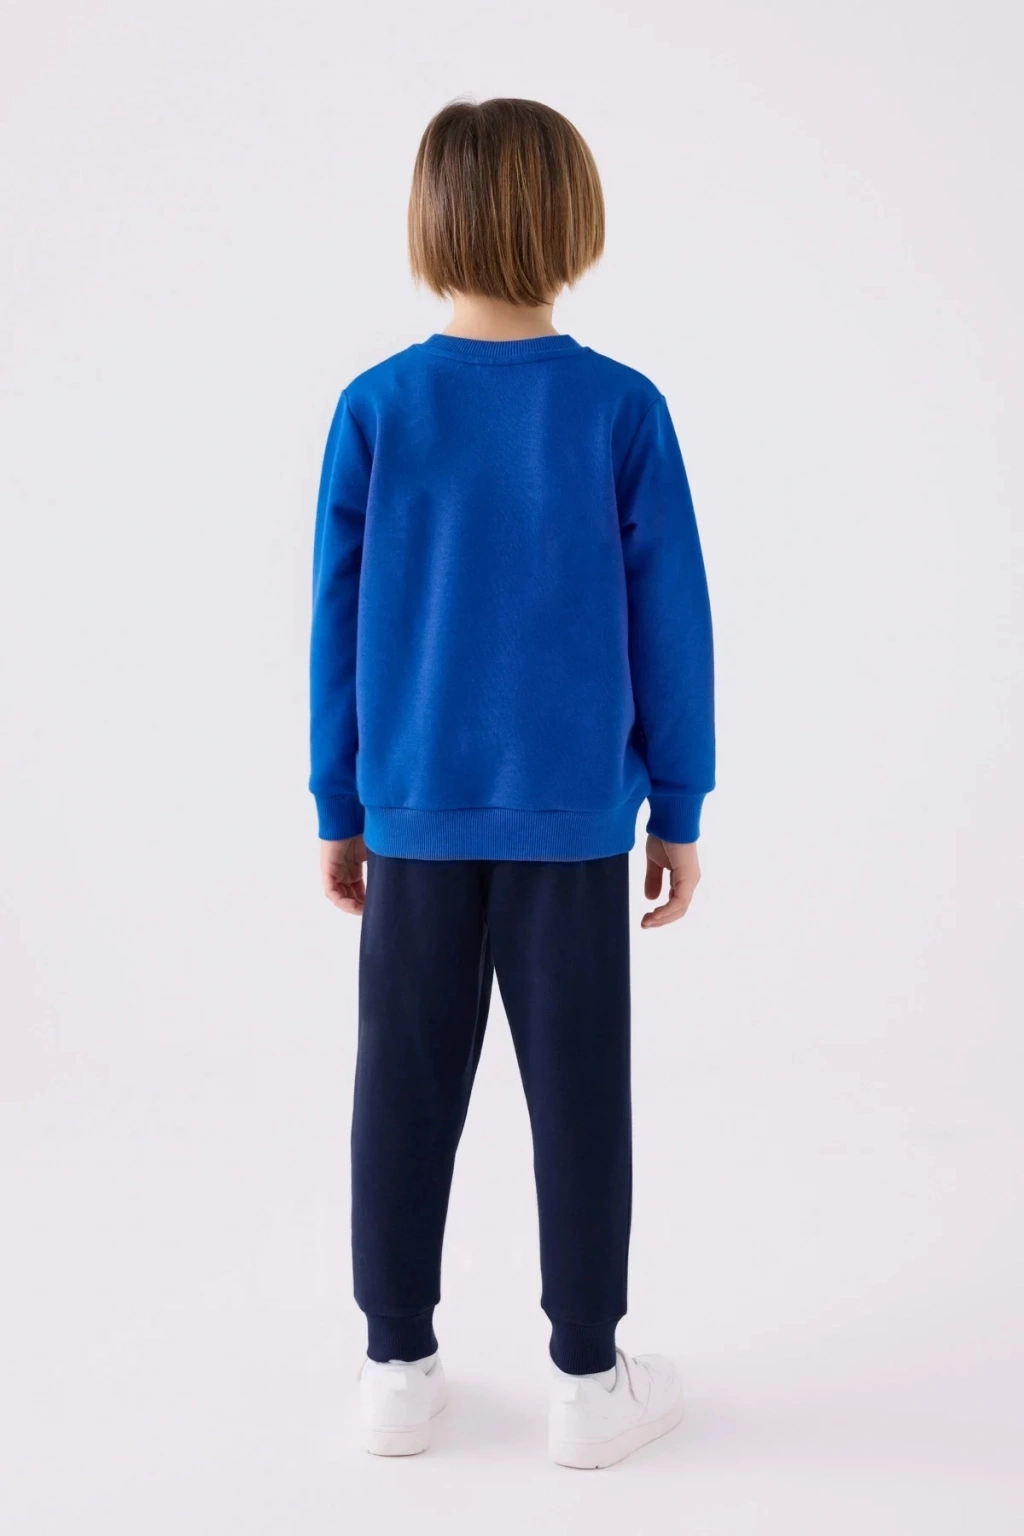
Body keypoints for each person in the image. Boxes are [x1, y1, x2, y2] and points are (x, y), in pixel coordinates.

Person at [309, 96, 715, 1469]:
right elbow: (673, 622)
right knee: (581, 1095)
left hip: (414, 814)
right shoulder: (621, 409)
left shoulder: (378, 406)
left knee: (400, 1090)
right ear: (572, 222)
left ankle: (396, 1368)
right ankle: (589, 1382)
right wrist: (679, 806)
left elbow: (338, 621)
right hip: (573, 822)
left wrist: (340, 806)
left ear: (430, 223)